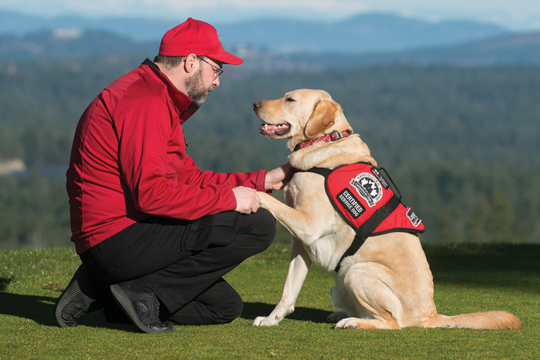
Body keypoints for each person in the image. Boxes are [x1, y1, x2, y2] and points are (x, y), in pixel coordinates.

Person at [54, 18, 292, 334]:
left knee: (222, 307)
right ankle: (130, 287)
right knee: (256, 224)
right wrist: (229, 199)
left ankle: (100, 290)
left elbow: (185, 178)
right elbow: (152, 194)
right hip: (115, 239)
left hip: (126, 237)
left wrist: (260, 181)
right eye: (216, 69)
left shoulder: (155, 96)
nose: (217, 81)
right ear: (191, 62)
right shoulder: (146, 102)